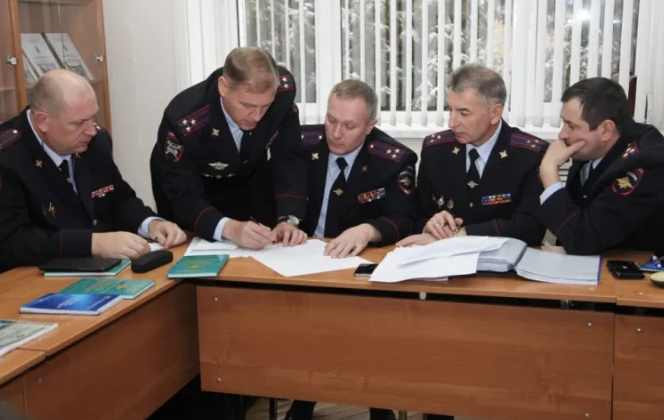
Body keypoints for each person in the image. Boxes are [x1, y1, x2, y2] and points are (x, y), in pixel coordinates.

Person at [284, 80, 416, 420]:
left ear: (371, 126)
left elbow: (405, 219)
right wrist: (285, 221)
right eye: (331, 120)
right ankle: (303, 397)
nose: (336, 133)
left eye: (349, 125)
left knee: (367, 326)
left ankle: (378, 404)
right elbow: (275, 194)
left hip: (359, 268)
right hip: (301, 261)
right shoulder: (300, 144)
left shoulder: (393, 159)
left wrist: (369, 230)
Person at [0, 70, 186, 273]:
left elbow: (118, 199)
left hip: (99, 273)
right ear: (42, 121)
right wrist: (92, 243)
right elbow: (11, 242)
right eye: (79, 123)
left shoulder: (96, 141)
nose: (91, 130)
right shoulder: (7, 156)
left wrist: (150, 224)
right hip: (28, 278)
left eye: (93, 117)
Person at [150, 47, 308, 250]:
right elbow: (183, 196)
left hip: (246, 171)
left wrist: (288, 218)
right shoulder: (184, 119)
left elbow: (289, 158)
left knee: (257, 247)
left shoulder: (281, 95)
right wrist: (230, 228)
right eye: (248, 106)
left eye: (265, 106)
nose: (257, 116)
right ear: (223, 87)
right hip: (195, 186)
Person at [398, 64, 547, 249]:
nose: (452, 123)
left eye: (464, 113)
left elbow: (532, 227)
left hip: (505, 261)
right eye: (450, 110)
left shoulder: (529, 154)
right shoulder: (435, 150)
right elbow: (415, 216)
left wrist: (461, 235)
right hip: (444, 260)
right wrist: (430, 225)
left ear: (495, 113)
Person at [537, 77, 664, 255]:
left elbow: (583, 240)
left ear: (606, 130)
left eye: (571, 126)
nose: (562, 134)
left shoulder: (646, 162)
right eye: (563, 122)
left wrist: (549, 173)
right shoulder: (589, 149)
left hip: (635, 268)